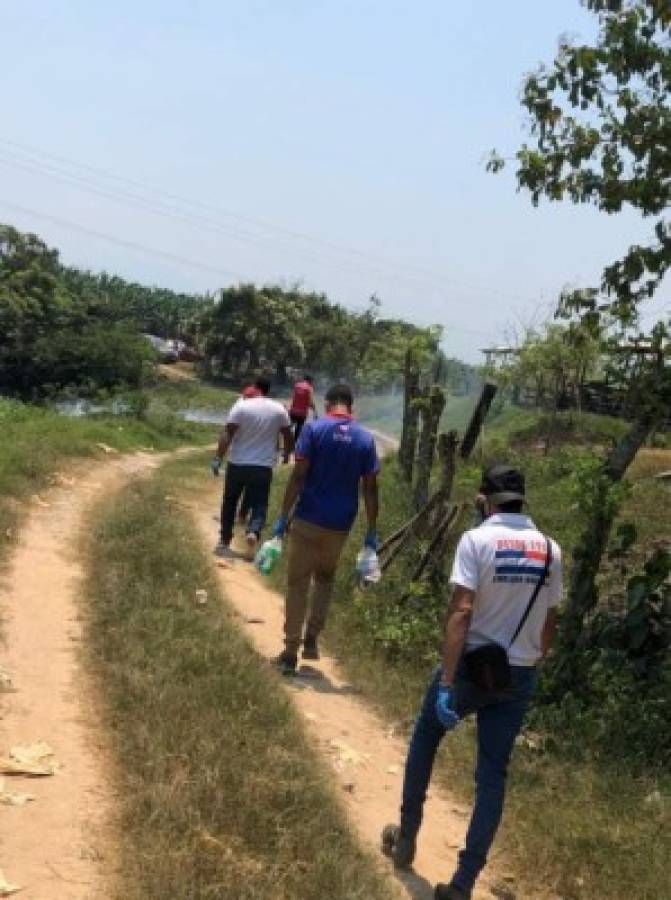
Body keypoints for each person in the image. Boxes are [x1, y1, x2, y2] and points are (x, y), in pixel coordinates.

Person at [382, 464, 562, 900]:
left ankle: (406, 837)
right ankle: (463, 883)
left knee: (426, 738)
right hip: (517, 675)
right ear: (522, 500)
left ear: (485, 499)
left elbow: (461, 611)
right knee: (492, 776)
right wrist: (533, 660)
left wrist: (447, 680)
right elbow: (551, 620)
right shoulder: (550, 551)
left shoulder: (477, 540)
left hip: (471, 669)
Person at [271, 383, 380, 675]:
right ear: (351, 407)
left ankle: (290, 651)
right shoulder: (365, 440)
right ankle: (312, 639)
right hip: (340, 524)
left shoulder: (314, 430)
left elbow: (298, 475)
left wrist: (283, 516)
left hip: (308, 518)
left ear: (329, 403)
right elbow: (370, 489)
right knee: (325, 579)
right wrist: (371, 529)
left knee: (298, 583)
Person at [211, 377, 293, 558]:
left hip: (237, 464)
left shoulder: (242, 406)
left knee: (230, 502)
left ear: (255, 388)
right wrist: (287, 454)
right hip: (262, 466)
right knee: (260, 503)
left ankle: (224, 540)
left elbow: (228, 433)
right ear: (268, 390)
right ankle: (253, 531)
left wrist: (218, 458)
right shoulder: (279, 409)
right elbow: (288, 434)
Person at [288, 374, 316, 443]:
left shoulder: (297, 385)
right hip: (302, 413)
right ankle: (295, 443)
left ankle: (286, 440)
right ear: (310, 381)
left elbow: (293, 397)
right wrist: (314, 409)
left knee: (289, 426)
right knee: (299, 428)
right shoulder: (309, 388)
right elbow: (310, 401)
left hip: (293, 411)